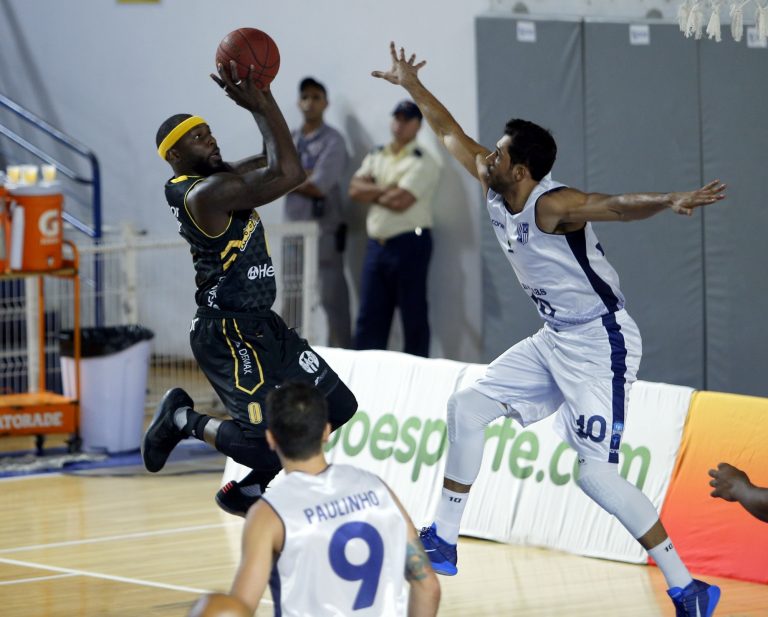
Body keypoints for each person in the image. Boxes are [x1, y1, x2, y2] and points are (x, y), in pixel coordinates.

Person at [371, 42, 726, 617]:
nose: (487, 157)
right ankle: (446, 540)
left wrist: (669, 199)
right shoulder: (494, 183)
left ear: (521, 169)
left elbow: (616, 205)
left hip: (601, 342)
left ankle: (688, 588)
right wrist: (411, 84)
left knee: (597, 477)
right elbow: (448, 131)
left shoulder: (551, 206)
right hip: (554, 337)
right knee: (467, 407)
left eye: (499, 153)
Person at [143, 61, 357, 518]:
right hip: (228, 332)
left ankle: (251, 488)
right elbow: (290, 172)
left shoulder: (217, 181)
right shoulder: (204, 195)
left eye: (209, 132)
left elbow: (270, 156)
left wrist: (260, 97)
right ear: (175, 154)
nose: (211, 140)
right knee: (262, 444)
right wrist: (264, 101)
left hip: (262, 323)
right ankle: (181, 419)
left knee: (338, 405)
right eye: (198, 138)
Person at [191, 382, 441, 617]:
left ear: (271, 438)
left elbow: (238, 609)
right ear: (326, 431)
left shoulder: (269, 513)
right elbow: (428, 585)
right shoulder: (377, 488)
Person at [348, 99, 440, 358]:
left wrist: (372, 189)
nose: (399, 124)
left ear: (418, 125)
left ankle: (417, 373)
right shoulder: (378, 154)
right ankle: (366, 373)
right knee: (370, 316)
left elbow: (401, 201)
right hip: (377, 246)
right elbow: (354, 189)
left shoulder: (423, 160)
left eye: (406, 119)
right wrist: (387, 189)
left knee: (412, 315)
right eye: (397, 118)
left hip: (410, 244)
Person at [284, 77, 352, 348]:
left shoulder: (334, 140)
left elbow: (318, 186)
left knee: (330, 296)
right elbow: (272, 176)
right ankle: (289, 355)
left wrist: (290, 177)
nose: (310, 103)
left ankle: (343, 355)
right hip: (293, 230)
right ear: (298, 102)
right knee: (292, 296)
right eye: (305, 97)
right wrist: (303, 174)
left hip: (324, 230)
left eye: (316, 97)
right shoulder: (289, 139)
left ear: (326, 103)